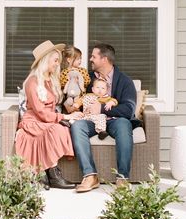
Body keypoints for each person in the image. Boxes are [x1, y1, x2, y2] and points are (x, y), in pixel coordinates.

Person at [71, 43, 138, 193]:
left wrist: (102, 108)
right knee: (77, 126)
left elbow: (128, 110)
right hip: (92, 120)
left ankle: (122, 178)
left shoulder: (125, 81)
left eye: (94, 56)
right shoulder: (86, 79)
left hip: (114, 120)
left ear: (104, 59)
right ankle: (90, 176)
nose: (90, 59)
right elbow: (78, 97)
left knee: (123, 124)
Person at [15, 40, 83, 190]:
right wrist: (64, 117)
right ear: (46, 61)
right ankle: (53, 175)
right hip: (34, 120)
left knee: (62, 129)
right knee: (56, 129)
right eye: (55, 60)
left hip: (47, 119)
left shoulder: (51, 80)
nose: (58, 64)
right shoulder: (32, 82)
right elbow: (40, 111)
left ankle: (49, 174)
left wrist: (73, 110)